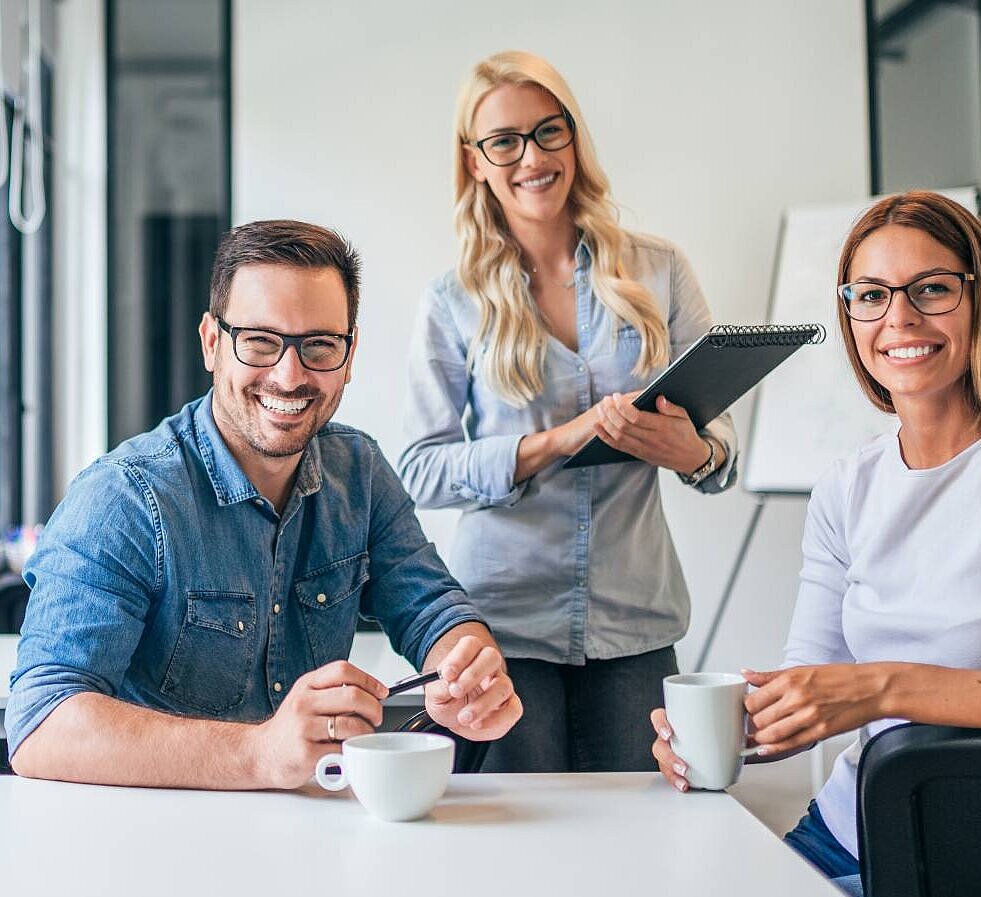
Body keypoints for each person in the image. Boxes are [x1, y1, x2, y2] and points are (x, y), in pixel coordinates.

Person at [651, 190, 981, 897]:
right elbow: (811, 682)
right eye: (871, 295)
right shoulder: (846, 488)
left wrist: (884, 687)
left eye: (931, 289)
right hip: (854, 823)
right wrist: (723, 729)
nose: (899, 318)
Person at [7, 220, 522, 788]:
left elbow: (432, 610)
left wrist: (468, 668)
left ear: (349, 356)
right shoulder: (124, 497)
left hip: (309, 833)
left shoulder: (360, 472)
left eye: (319, 346)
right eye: (259, 341)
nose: (288, 374)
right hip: (151, 846)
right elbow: (41, 725)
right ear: (211, 343)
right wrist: (259, 752)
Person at [397, 51, 738, 772]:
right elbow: (419, 471)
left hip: (634, 619)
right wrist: (554, 443)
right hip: (501, 623)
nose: (532, 157)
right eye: (505, 141)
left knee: (641, 836)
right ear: (476, 161)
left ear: (575, 138)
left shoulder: (659, 269)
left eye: (549, 132)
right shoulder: (450, 300)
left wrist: (694, 453)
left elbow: (721, 447)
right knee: (519, 845)